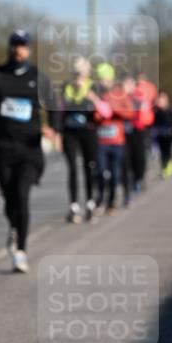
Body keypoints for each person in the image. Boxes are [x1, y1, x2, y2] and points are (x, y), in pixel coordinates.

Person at [0, 30, 57, 273]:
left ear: (29, 49)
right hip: (3, 148)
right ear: (9, 47)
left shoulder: (38, 77)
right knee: (10, 198)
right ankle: (14, 229)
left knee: (22, 195)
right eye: (15, 45)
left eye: (23, 45)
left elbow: (54, 107)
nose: (18, 49)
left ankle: (20, 251)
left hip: (29, 149)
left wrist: (52, 129)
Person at [58, 57, 109, 223]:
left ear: (87, 72)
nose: (78, 76)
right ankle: (73, 205)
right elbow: (59, 111)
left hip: (88, 131)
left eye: (81, 72)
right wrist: (57, 132)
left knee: (90, 167)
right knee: (72, 168)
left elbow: (106, 111)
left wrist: (93, 98)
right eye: (76, 72)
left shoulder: (94, 87)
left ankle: (89, 202)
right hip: (70, 132)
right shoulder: (66, 87)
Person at [93, 66, 136, 215]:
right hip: (101, 141)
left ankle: (111, 202)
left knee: (114, 173)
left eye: (105, 79)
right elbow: (93, 116)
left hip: (117, 141)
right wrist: (98, 114)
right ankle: (99, 200)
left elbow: (130, 113)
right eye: (100, 79)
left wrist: (114, 109)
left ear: (111, 79)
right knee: (100, 172)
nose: (103, 82)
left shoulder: (120, 94)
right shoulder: (96, 94)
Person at [152, 92, 172, 178]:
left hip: (170, 136)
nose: (160, 102)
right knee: (162, 153)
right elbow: (153, 125)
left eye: (162, 100)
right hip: (160, 136)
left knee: (168, 152)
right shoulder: (156, 113)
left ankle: (169, 166)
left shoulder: (171, 111)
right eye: (159, 100)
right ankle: (164, 168)